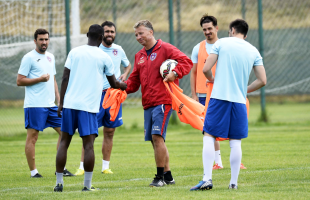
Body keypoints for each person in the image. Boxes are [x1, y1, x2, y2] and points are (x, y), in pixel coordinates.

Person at [190, 19, 267, 191]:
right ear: (245, 34)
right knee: (235, 141)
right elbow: (263, 80)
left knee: (209, 136)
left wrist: (212, 80)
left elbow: (205, 69)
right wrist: (244, 90)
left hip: (219, 98)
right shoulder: (253, 50)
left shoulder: (221, 43)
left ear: (232, 30)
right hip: (239, 101)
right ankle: (233, 183)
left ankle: (207, 179)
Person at [53, 24, 127, 192]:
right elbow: (114, 83)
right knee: (88, 146)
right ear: (101, 38)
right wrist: (125, 86)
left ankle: (59, 184)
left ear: (87, 35)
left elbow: (64, 78)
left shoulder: (74, 52)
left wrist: (61, 103)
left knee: (64, 141)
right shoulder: (104, 57)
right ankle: (87, 186)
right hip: (88, 107)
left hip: (70, 104)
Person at [125, 20, 193, 187]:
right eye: (136, 35)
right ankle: (168, 176)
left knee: (157, 137)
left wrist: (175, 74)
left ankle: (159, 178)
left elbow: (186, 62)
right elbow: (133, 82)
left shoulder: (166, 49)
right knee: (155, 140)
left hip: (163, 101)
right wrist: (119, 87)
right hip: (148, 103)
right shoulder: (139, 56)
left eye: (141, 33)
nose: (138, 37)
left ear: (151, 32)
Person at [74, 21, 132, 176]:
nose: (110, 34)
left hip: (113, 95)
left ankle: (105, 166)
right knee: (90, 132)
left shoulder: (118, 50)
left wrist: (125, 74)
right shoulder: (95, 50)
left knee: (110, 131)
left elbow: (128, 65)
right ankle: (82, 166)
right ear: (101, 34)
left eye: (112, 32)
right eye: (107, 32)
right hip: (96, 95)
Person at [190, 15, 246, 170]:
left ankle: (237, 160)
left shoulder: (225, 45)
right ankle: (218, 162)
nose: (207, 32)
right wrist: (194, 94)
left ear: (216, 28)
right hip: (203, 94)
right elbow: (193, 72)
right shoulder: (198, 48)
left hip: (224, 93)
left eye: (209, 28)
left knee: (231, 126)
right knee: (209, 129)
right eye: (204, 30)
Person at [16, 28, 74, 178]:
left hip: (51, 105)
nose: (44, 42)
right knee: (33, 138)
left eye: (46, 39)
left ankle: (60, 169)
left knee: (65, 132)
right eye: (41, 39)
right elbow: (20, 80)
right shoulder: (28, 58)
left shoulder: (50, 57)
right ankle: (34, 172)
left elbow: (53, 79)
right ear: (35, 41)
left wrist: (59, 100)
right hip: (34, 104)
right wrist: (39, 79)